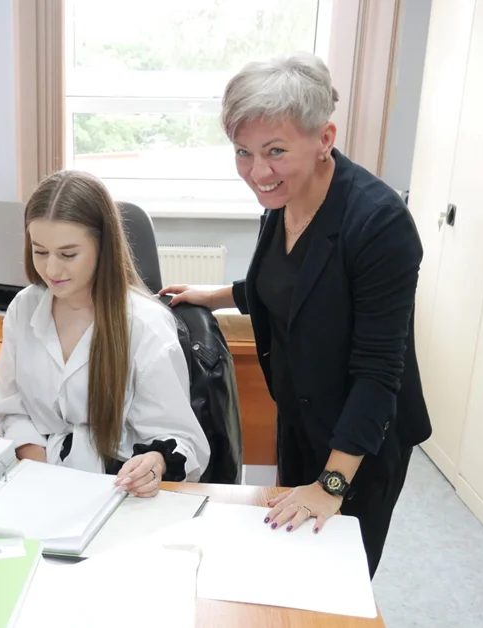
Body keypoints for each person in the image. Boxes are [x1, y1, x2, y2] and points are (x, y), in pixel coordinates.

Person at [162, 52, 431, 577]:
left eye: (275, 151)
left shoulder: (380, 223)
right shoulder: (283, 195)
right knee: (291, 559)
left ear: (324, 138)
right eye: (243, 152)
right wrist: (217, 295)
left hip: (361, 437)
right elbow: (294, 284)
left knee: (334, 580)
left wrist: (332, 484)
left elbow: (379, 372)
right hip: (301, 414)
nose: (257, 172)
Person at [0, 170, 210, 497]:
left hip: (120, 488)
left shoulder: (145, 324)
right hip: (39, 482)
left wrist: (155, 462)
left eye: (68, 254)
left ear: (103, 247)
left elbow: (181, 440)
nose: (51, 270)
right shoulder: (25, 306)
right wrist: (39, 470)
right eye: (40, 251)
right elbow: (11, 408)